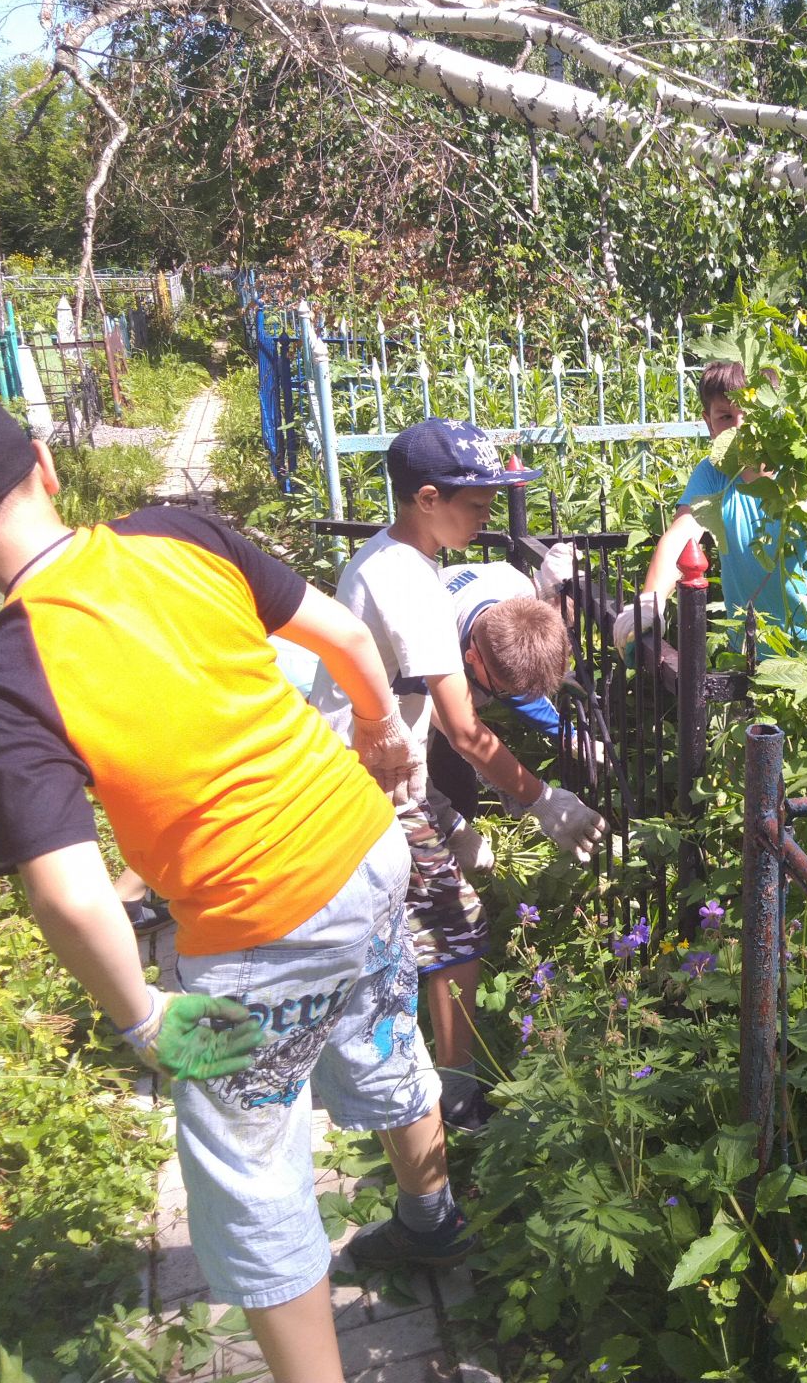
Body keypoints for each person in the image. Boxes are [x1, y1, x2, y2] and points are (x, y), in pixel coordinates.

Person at [0, 373, 464, 1383]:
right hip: (365, 850)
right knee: (379, 1021)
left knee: (250, 1173)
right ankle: (433, 1217)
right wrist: (379, 734)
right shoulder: (178, 534)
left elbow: (69, 892)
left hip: (255, 936)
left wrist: (146, 1020)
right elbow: (346, 634)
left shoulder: (1, 684)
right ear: (48, 468)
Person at [306, 418, 606, 1133]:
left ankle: (398, 1054)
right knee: (457, 929)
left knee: (407, 926)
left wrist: (441, 807)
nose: (487, 515)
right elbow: (466, 731)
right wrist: (542, 801)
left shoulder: (402, 561)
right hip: (366, 789)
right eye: (476, 503)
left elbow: (416, 708)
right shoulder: (409, 584)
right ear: (429, 498)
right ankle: (456, 1092)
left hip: (375, 776)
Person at [614, 360, 807, 656]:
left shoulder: (804, 461)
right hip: (750, 650)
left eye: (751, 414)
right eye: (725, 417)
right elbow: (680, 537)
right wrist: (652, 601)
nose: (740, 427)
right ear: (709, 424)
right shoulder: (713, 475)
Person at [430, 555, 578, 876]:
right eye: (501, 691)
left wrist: (568, 734)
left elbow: (516, 681)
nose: (509, 699)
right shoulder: (428, 644)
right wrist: (450, 825)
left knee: (462, 790)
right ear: (472, 658)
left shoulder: (517, 591)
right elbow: (462, 736)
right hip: (373, 720)